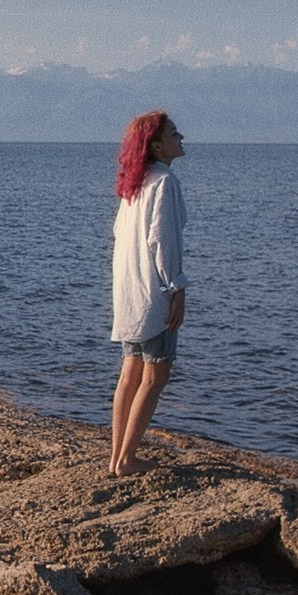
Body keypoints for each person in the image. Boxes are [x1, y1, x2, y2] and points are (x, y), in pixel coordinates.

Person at [109, 109, 186, 477]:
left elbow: (122, 239)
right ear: (156, 145)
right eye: (174, 133)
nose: (181, 137)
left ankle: (116, 457)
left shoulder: (133, 185)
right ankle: (127, 460)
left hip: (128, 292)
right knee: (154, 377)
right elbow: (163, 242)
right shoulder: (164, 182)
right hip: (153, 291)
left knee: (130, 373)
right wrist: (177, 289)